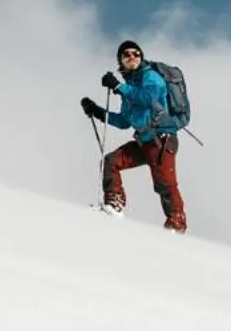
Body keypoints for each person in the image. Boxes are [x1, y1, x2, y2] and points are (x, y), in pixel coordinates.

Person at [80, 40, 187, 233]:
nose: (132, 57)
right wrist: (97, 111)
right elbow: (124, 121)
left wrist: (119, 87)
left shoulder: (151, 77)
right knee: (111, 161)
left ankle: (176, 225)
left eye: (136, 53)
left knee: (164, 184)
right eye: (127, 54)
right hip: (144, 142)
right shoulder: (131, 85)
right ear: (121, 60)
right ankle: (114, 204)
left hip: (161, 139)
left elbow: (147, 98)